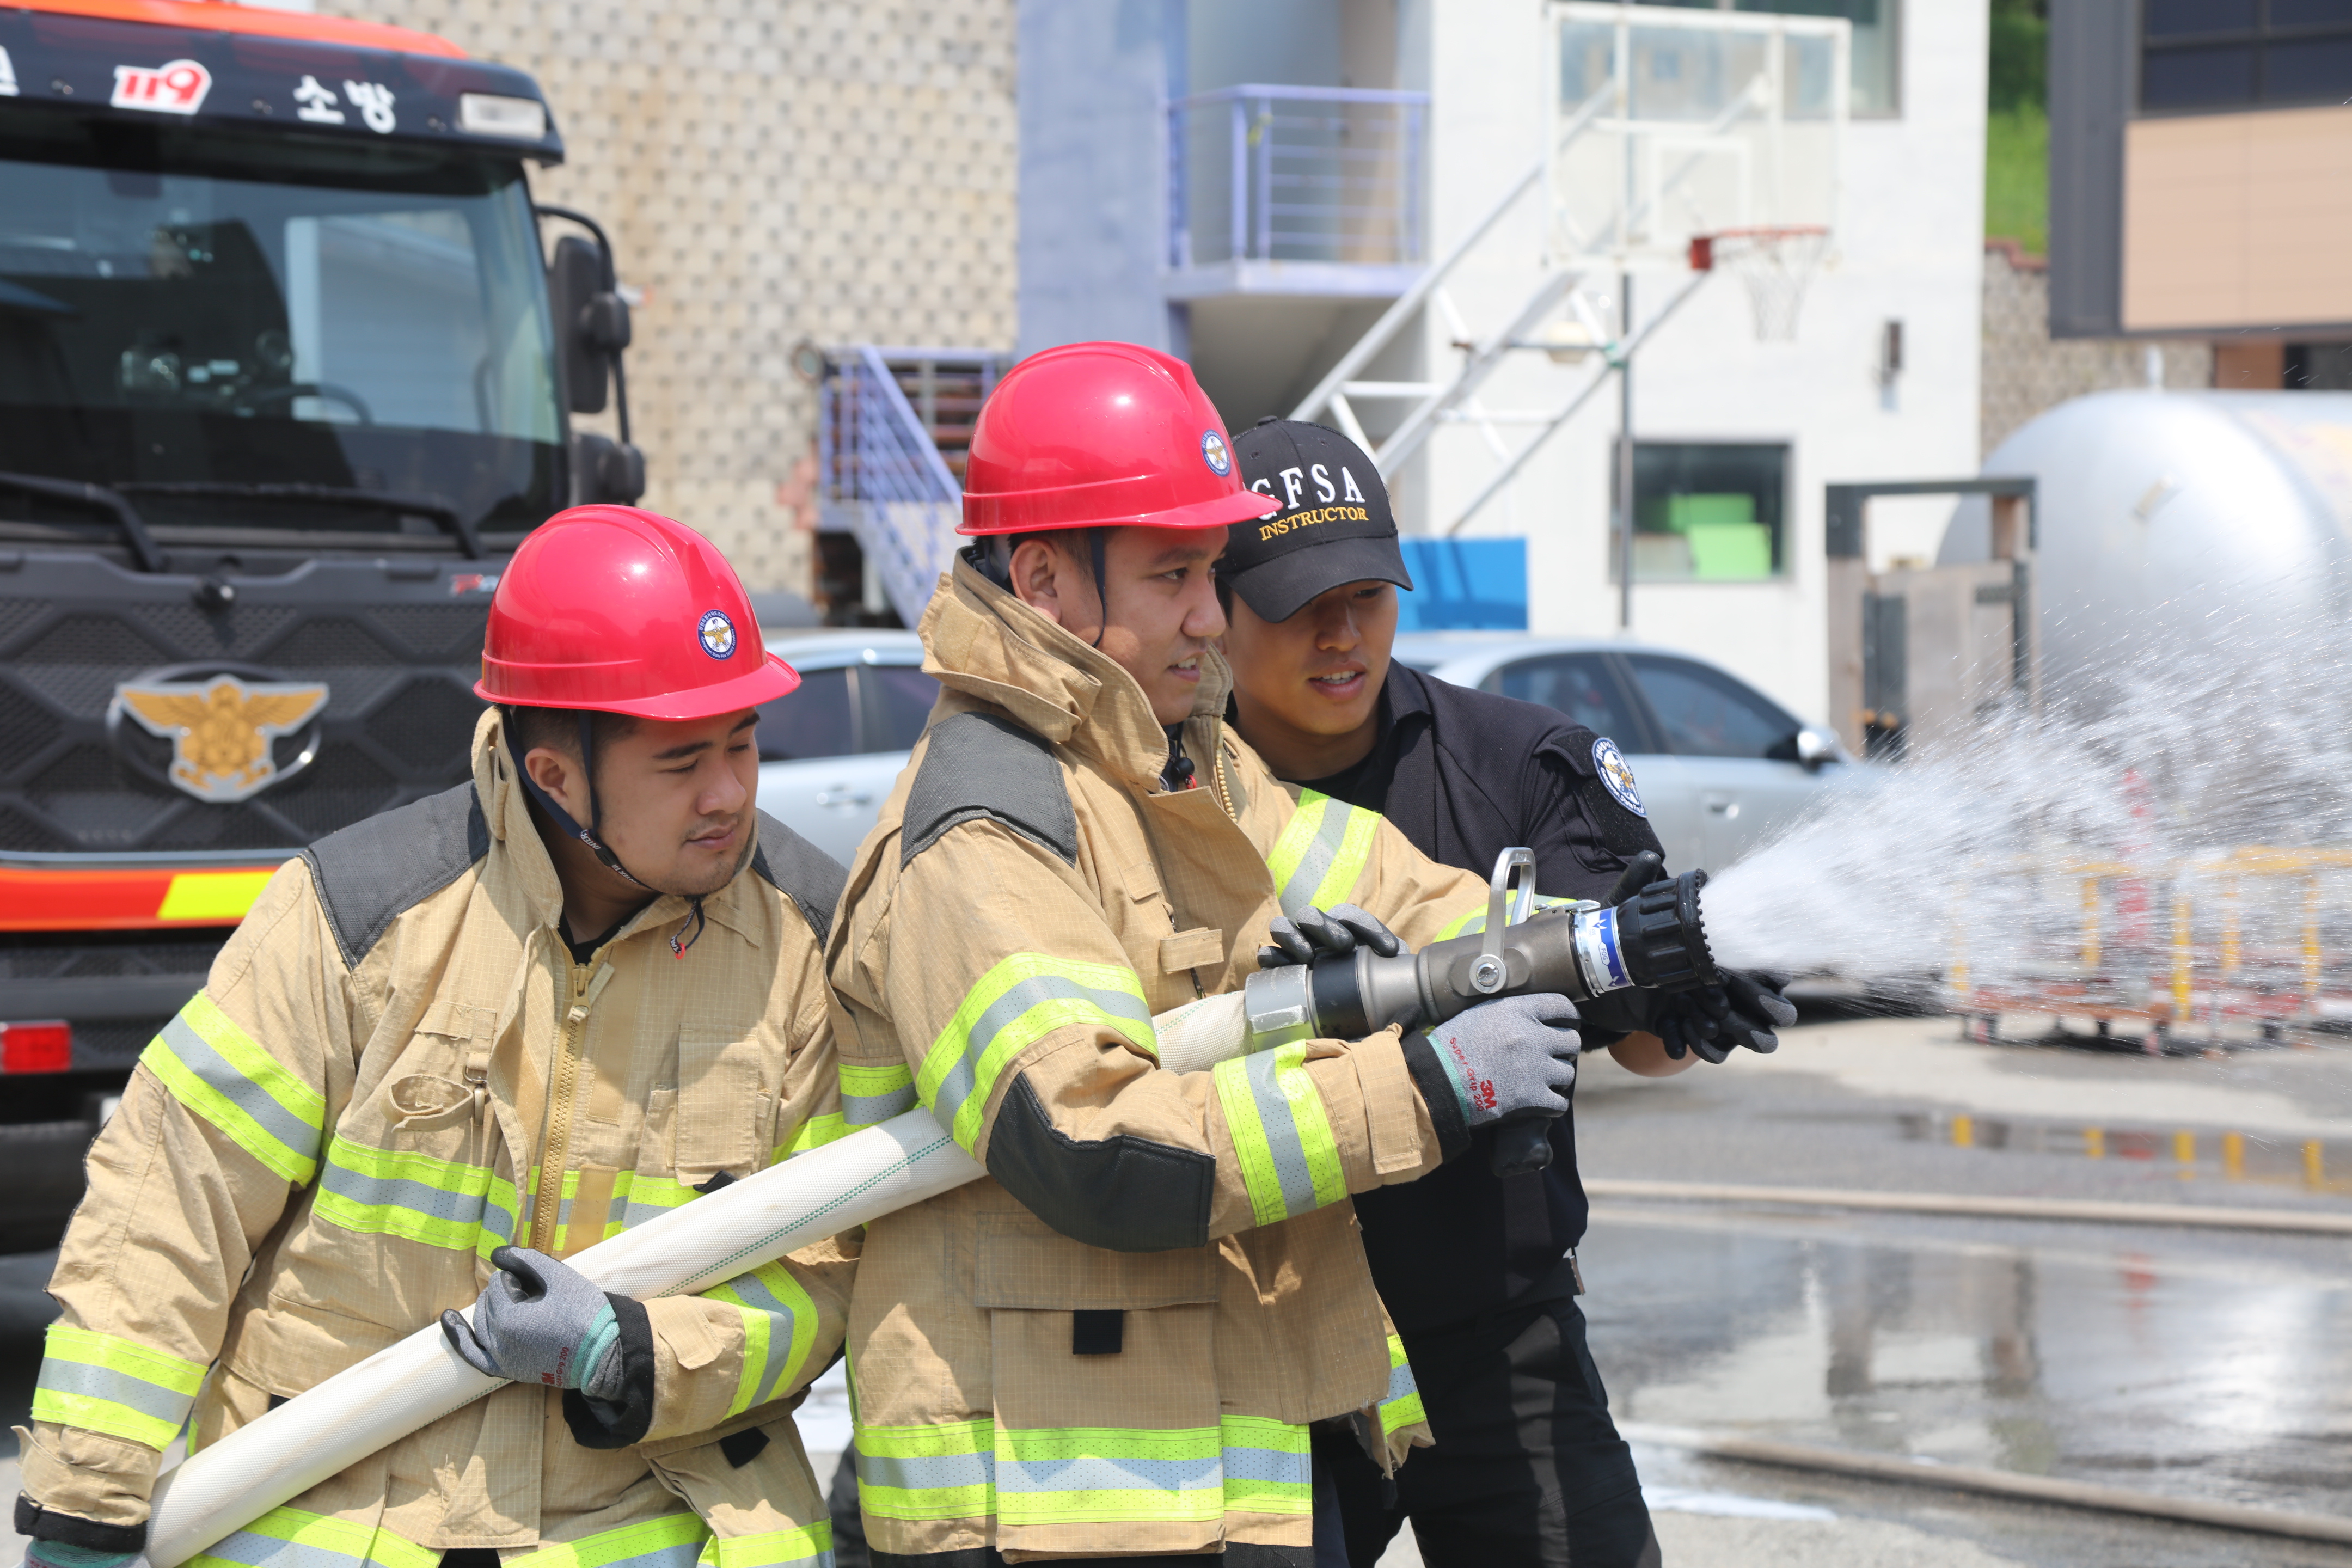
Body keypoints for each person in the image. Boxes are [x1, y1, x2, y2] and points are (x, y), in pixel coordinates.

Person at [822, 341, 1585, 1567]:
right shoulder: (987, 824)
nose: (1208, 613)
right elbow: (1095, 1142)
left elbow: (1396, 887)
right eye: (1174, 574)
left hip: (1210, 1476)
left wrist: (1610, 949)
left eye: (1211, 571)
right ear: (1045, 579)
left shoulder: (1177, 761)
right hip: (1061, 1509)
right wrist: (1427, 1089)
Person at [16, 507, 859, 1568]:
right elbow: (168, 1207)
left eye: (744, 742)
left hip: (649, 1524)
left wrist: (638, 1354)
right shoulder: (357, 918)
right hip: (339, 1527)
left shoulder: (804, 945)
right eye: (683, 760)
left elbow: (830, 1266)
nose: (730, 792)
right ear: (555, 775)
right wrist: (85, 1503)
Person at [1219, 418, 1794, 1568]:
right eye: (1298, 606)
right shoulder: (1167, 798)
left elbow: (1637, 1036)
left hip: (1490, 1325)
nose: (1342, 636)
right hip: (1263, 1335)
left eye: (1367, 596)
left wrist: (1687, 1000)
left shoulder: (1520, 764)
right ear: (1215, 606)